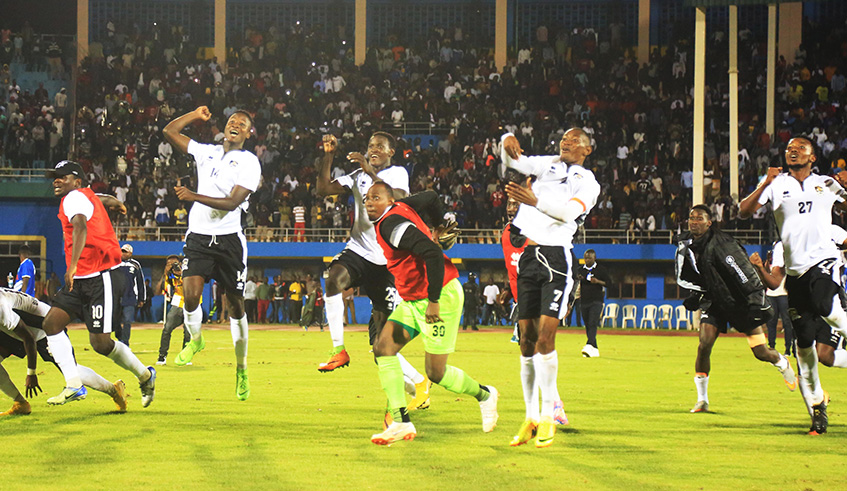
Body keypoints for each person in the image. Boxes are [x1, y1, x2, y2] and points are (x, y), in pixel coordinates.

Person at [365, 183, 498, 445]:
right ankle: (400, 422)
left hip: (440, 297)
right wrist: (437, 225)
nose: (369, 202)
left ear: (390, 200)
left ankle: (485, 395)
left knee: (436, 373)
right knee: (383, 347)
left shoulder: (391, 225)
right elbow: (431, 197)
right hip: (414, 300)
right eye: (367, 198)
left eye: (376, 197)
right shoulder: (402, 207)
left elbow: (434, 255)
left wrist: (434, 302)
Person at [739, 136, 847, 435]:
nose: (793, 151)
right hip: (795, 274)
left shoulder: (826, 183)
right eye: (789, 148)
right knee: (804, 347)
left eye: (800, 147)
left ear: (813, 156)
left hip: (823, 261)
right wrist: (763, 184)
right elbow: (743, 211)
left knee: (826, 304)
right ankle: (817, 409)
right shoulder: (776, 185)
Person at [502, 127, 600, 447]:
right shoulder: (549, 164)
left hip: (558, 257)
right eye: (564, 139)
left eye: (574, 141)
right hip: (530, 255)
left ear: (587, 149)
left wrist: (535, 200)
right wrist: (506, 141)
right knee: (526, 340)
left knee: (546, 336)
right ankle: (530, 417)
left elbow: (570, 212)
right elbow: (515, 161)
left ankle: (548, 416)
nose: (566, 143)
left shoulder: (587, 181)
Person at [163, 105, 261, 401]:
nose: (235, 124)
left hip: (230, 241)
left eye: (242, 123)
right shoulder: (206, 151)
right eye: (232, 120)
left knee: (236, 307)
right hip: (199, 237)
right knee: (190, 295)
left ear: (248, 133)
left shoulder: (249, 162)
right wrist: (194, 115)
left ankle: (241, 369)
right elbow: (169, 131)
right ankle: (196, 340)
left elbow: (233, 202)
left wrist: (193, 196)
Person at [41, 160, 155, 407]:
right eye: (55, 176)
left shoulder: (73, 199)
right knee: (51, 323)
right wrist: (113, 201)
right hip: (83, 279)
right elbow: (98, 197)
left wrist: (71, 265)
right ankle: (74, 385)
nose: (56, 181)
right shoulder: (83, 195)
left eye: (63, 176)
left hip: (99, 276)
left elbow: (80, 226)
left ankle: (145, 376)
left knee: (101, 344)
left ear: (77, 182)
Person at [676, 205, 796, 414]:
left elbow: (744, 274)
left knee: (760, 352)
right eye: (691, 218)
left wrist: (754, 301)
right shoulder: (685, 244)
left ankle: (780, 361)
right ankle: (702, 400)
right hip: (714, 302)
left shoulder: (724, 244)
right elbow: (686, 275)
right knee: (704, 344)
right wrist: (697, 294)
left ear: (709, 222)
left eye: (699, 218)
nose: (694, 222)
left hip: (739, 302)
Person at [0, 287, 128, 415]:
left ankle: (114, 390)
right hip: (19, 329)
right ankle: (20, 403)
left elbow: (29, 338)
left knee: (73, 372)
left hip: (45, 328)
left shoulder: (1, 306)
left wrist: (31, 373)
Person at [751, 224, 847, 374]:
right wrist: (760, 268)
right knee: (815, 354)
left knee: (823, 354)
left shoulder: (829, 230)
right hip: (803, 305)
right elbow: (775, 283)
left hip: (831, 301)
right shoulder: (782, 246)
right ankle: (815, 395)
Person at [155, 255, 192, 365]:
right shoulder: (169, 276)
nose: (173, 266)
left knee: (188, 332)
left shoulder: (188, 270)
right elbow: (158, 291)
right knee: (167, 328)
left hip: (191, 303)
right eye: (169, 264)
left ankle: (185, 356)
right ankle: (162, 356)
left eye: (174, 263)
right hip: (178, 302)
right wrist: (165, 274)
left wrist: (181, 274)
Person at [759, 242, 795, 356]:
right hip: (771, 294)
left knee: (787, 322)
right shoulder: (770, 263)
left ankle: (788, 348)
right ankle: (771, 347)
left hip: (783, 294)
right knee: (771, 323)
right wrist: (766, 262)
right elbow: (764, 277)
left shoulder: (785, 262)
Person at [577, 249, 611, 358]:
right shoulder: (580, 270)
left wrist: (598, 282)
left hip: (596, 301)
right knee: (587, 325)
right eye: (585, 258)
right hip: (584, 301)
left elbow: (609, 284)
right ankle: (594, 349)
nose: (587, 260)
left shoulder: (601, 270)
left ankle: (588, 345)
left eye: (589, 258)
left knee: (592, 323)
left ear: (594, 258)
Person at [116, 244, 145, 346]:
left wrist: (142, 298)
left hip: (130, 297)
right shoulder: (115, 263)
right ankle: (119, 337)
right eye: (122, 251)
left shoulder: (135, 265)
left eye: (125, 252)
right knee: (115, 321)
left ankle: (125, 343)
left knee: (127, 321)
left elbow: (140, 282)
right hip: (116, 297)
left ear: (130, 253)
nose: (123, 253)